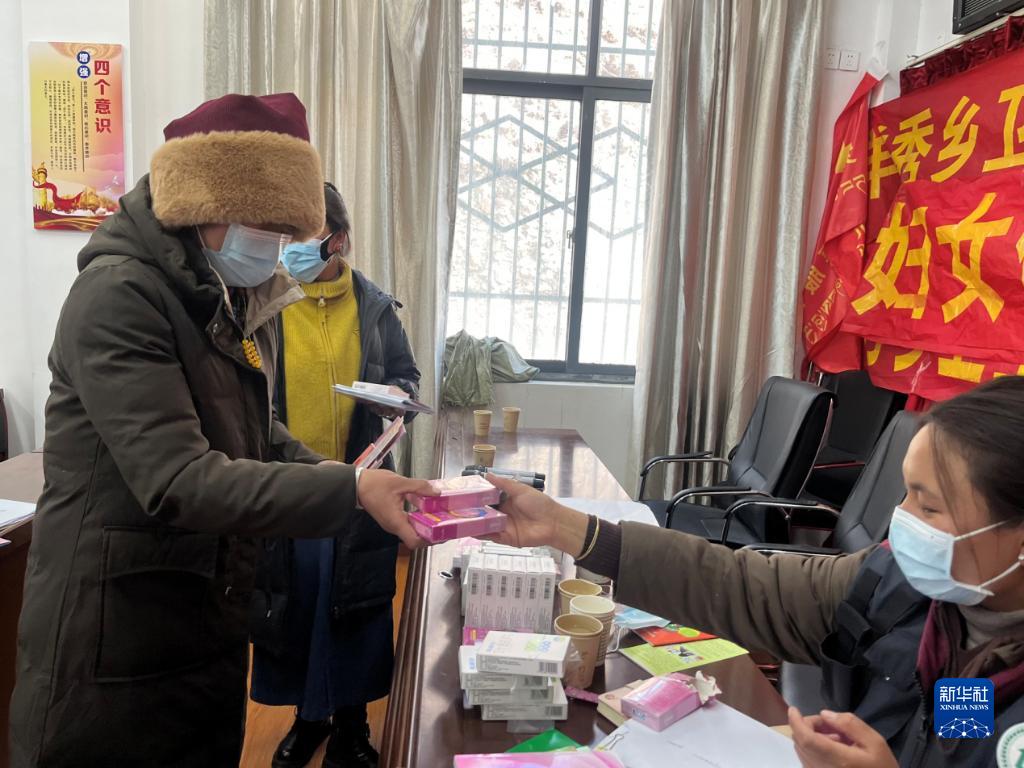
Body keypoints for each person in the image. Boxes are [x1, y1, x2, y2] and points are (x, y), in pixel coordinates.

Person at [9, 93, 434, 768]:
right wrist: (352, 491)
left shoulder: (222, 294)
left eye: (286, 231)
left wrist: (347, 475)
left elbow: (256, 431)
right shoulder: (120, 296)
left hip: (199, 615)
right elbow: (180, 479)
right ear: (205, 202)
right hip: (116, 632)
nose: (275, 247)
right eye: (265, 226)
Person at [488, 376, 1024, 767]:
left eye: (929, 507)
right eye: (905, 495)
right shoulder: (901, 586)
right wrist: (564, 527)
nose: (901, 521)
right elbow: (741, 584)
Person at [249, 183, 418, 768]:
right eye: (286, 235)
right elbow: (250, 397)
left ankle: (352, 725)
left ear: (338, 240)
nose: (290, 247)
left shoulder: (374, 306)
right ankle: (307, 719)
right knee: (297, 607)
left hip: (361, 486)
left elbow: (407, 373)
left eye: (304, 236)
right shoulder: (266, 304)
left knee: (354, 605)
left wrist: (396, 395)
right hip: (292, 487)